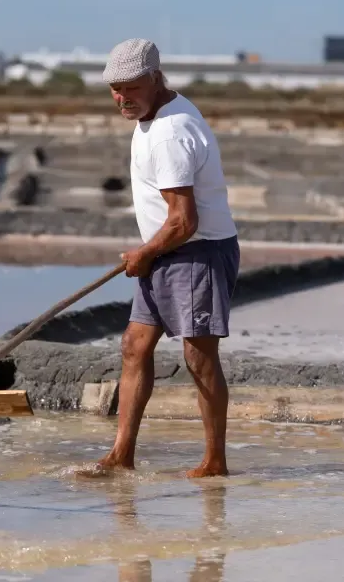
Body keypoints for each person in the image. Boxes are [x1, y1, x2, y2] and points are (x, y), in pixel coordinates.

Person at [97, 38, 240, 478]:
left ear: (156, 79)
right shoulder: (154, 117)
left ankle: (214, 462)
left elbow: (184, 220)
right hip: (166, 250)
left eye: (132, 88)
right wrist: (149, 253)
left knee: (199, 357)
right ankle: (121, 455)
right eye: (116, 89)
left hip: (195, 253)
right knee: (134, 346)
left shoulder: (170, 133)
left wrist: (144, 252)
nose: (123, 98)